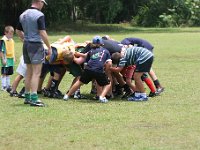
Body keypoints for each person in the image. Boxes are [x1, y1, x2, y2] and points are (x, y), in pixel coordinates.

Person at [16, 0, 52, 107]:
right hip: (36, 45)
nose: (43, 6)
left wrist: (25, 39)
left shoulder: (23, 14)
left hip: (26, 45)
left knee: (29, 72)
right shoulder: (39, 15)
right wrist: (49, 47)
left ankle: (27, 97)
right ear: (40, 2)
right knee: (36, 73)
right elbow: (42, 32)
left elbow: (18, 30)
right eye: (43, 4)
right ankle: (35, 98)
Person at [63, 36, 112, 103]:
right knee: (108, 83)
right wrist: (105, 71)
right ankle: (102, 97)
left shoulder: (91, 51)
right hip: (99, 70)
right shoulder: (106, 51)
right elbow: (109, 63)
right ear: (102, 43)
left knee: (79, 82)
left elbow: (86, 60)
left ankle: (67, 95)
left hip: (88, 69)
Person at [0, 26, 15, 92]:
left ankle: (8, 85)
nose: (11, 35)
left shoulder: (11, 40)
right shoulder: (3, 40)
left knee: (9, 73)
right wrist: (3, 59)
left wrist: (14, 57)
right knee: (4, 73)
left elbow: (13, 49)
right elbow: (1, 51)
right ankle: (3, 86)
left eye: (12, 34)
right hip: (5, 59)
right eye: (10, 34)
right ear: (5, 33)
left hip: (10, 59)